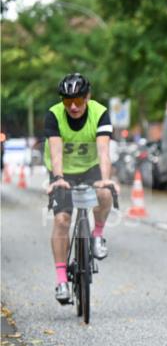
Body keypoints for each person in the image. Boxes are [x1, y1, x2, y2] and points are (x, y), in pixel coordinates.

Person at [44, 73, 116, 304]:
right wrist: (58, 178)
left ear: (88, 97)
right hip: (62, 172)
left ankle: (97, 235)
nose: (73, 106)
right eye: (67, 101)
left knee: (105, 193)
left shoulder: (100, 112)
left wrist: (105, 179)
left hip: (91, 167)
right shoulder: (54, 115)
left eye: (78, 100)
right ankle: (62, 279)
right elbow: (55, 151)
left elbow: (104, 151)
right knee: (62, 220)